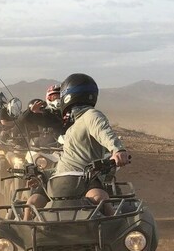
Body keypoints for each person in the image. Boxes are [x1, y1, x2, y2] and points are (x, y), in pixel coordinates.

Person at [24, 73, 129, 219]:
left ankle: (117, 234)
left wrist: (117, 149)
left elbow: (103, 131)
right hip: (58, 179)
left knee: (100, 199)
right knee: (32, 202)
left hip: (85, 178)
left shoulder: (91, 115)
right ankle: (26, 238)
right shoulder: (73, 125)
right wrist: (44, 175)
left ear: (67, 96)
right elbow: (66, 161)